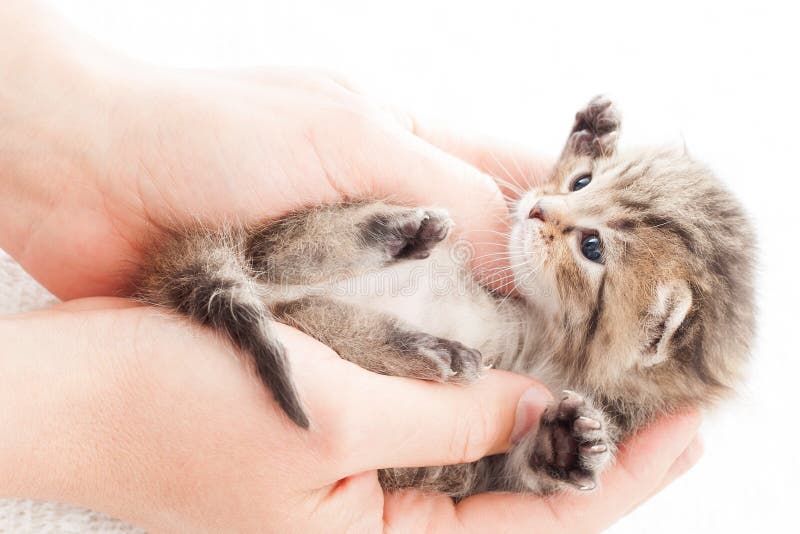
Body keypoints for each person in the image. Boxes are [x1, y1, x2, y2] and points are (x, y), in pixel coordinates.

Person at [0, 1, 702, 532]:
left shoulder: (606, 382)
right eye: (580, 188)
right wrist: (102, 409)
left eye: (590, 246)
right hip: (298, 288)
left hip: (347, 338)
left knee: (443, 439)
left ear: (651, 338)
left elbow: (485, 471)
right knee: (270, 273)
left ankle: (346, 291)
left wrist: (548, 456)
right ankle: (340, 266)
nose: (545, 212)